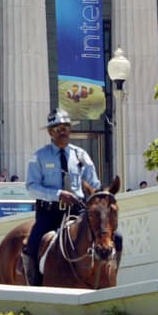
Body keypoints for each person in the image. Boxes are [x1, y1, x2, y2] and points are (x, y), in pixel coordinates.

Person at [22, 108, 100, 286]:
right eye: (58, 128)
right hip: (49, 213)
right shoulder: (39, 157)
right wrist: (58, 194)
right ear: (50, 132)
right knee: (32, 245)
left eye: (66, 127)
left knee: (112, 238)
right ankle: (35, 286)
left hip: (78, 211)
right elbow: (31, 187)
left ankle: (106, 279)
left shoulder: (81, 156)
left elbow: (93, 184)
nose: (63, 132)